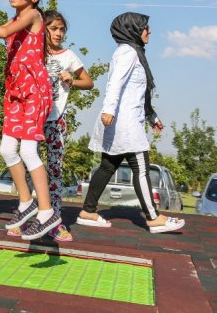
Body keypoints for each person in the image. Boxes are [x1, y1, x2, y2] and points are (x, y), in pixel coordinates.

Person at [78, 12, 184, 233]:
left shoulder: (134, 53)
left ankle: (88, 211)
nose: (149, 31)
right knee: (141, 168)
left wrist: (151, 116)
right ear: (132, 29)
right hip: (123, 123)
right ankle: (153, 217)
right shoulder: (127, 52)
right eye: (145, 27)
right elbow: (115, 83)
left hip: (124, 120)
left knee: (107, 166)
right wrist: (108, 110)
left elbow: (135, 92)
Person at [0, 0, 60, 241]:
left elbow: (1, 31)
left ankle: (47, 211)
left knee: (29, 151)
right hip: (15, 94)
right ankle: (26, 202)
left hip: (34, 91)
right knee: (6, 148)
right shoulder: (16, 19)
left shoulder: (33, 16)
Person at [41, 10, 94, 241]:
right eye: (54, 28)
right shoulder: (34, 52)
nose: (59, 33)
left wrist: (72, 80)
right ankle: (30, 213)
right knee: (26, 165)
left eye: (62, 29)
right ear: (43, 29)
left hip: (55, 119)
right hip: (32, 119)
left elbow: (88, 82)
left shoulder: (69, 56)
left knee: (55, 170)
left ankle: (55, 219)